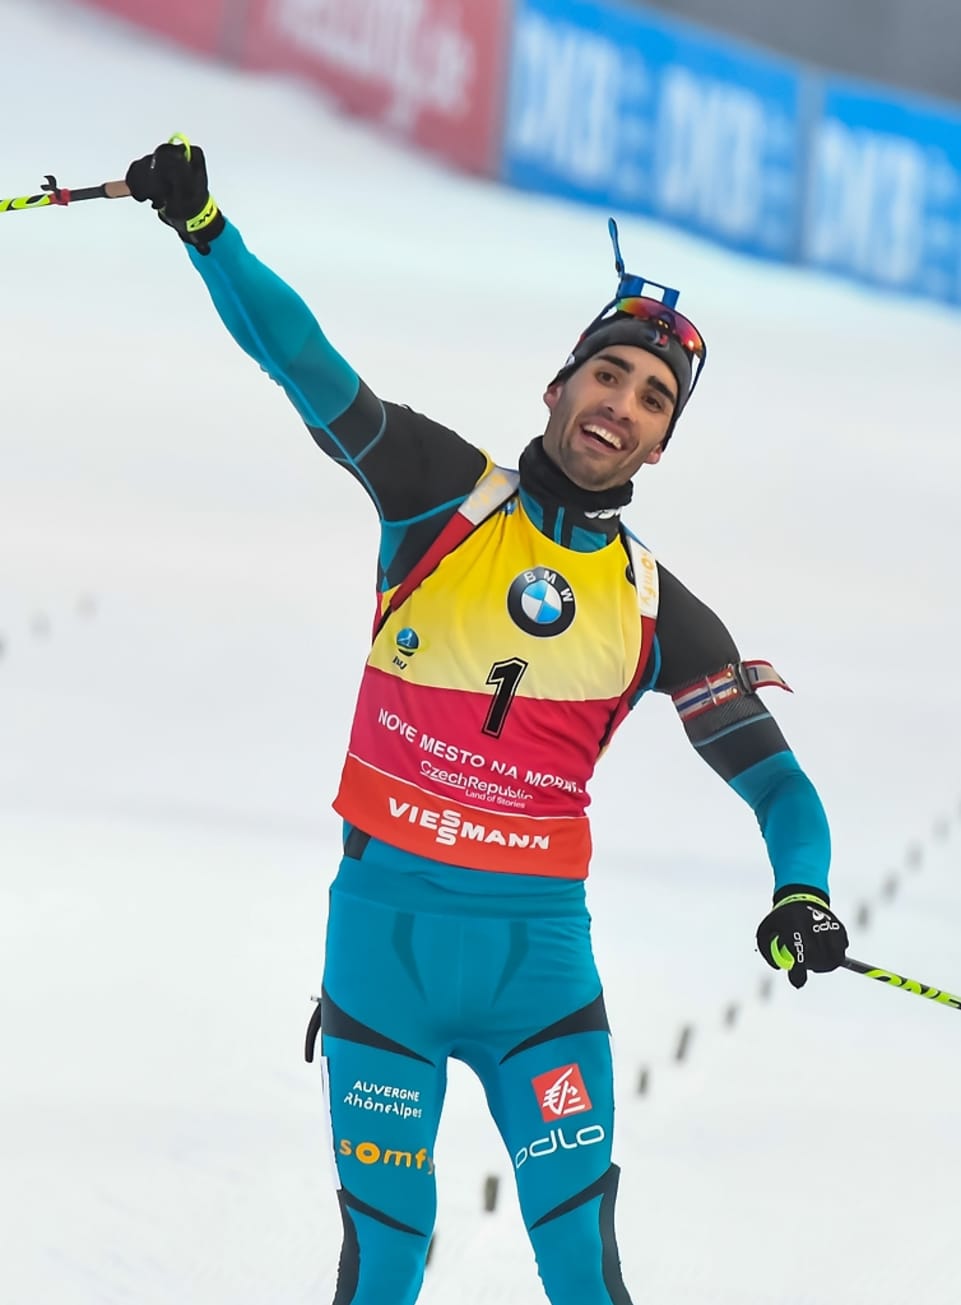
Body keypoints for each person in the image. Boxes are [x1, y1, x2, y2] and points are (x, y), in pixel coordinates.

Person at [123, 138, 850, 1305]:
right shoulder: (435, 497)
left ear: (664, 444)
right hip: (383, 954)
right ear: (557, 388)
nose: (621, 405)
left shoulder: (662, 611)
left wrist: (801, 889)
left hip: (538, 976)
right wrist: (209, 232)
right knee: (387, 1261)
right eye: (608, 377)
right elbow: (302, 361)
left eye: (653, 399)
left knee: (580, 1269)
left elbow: (777, 785)